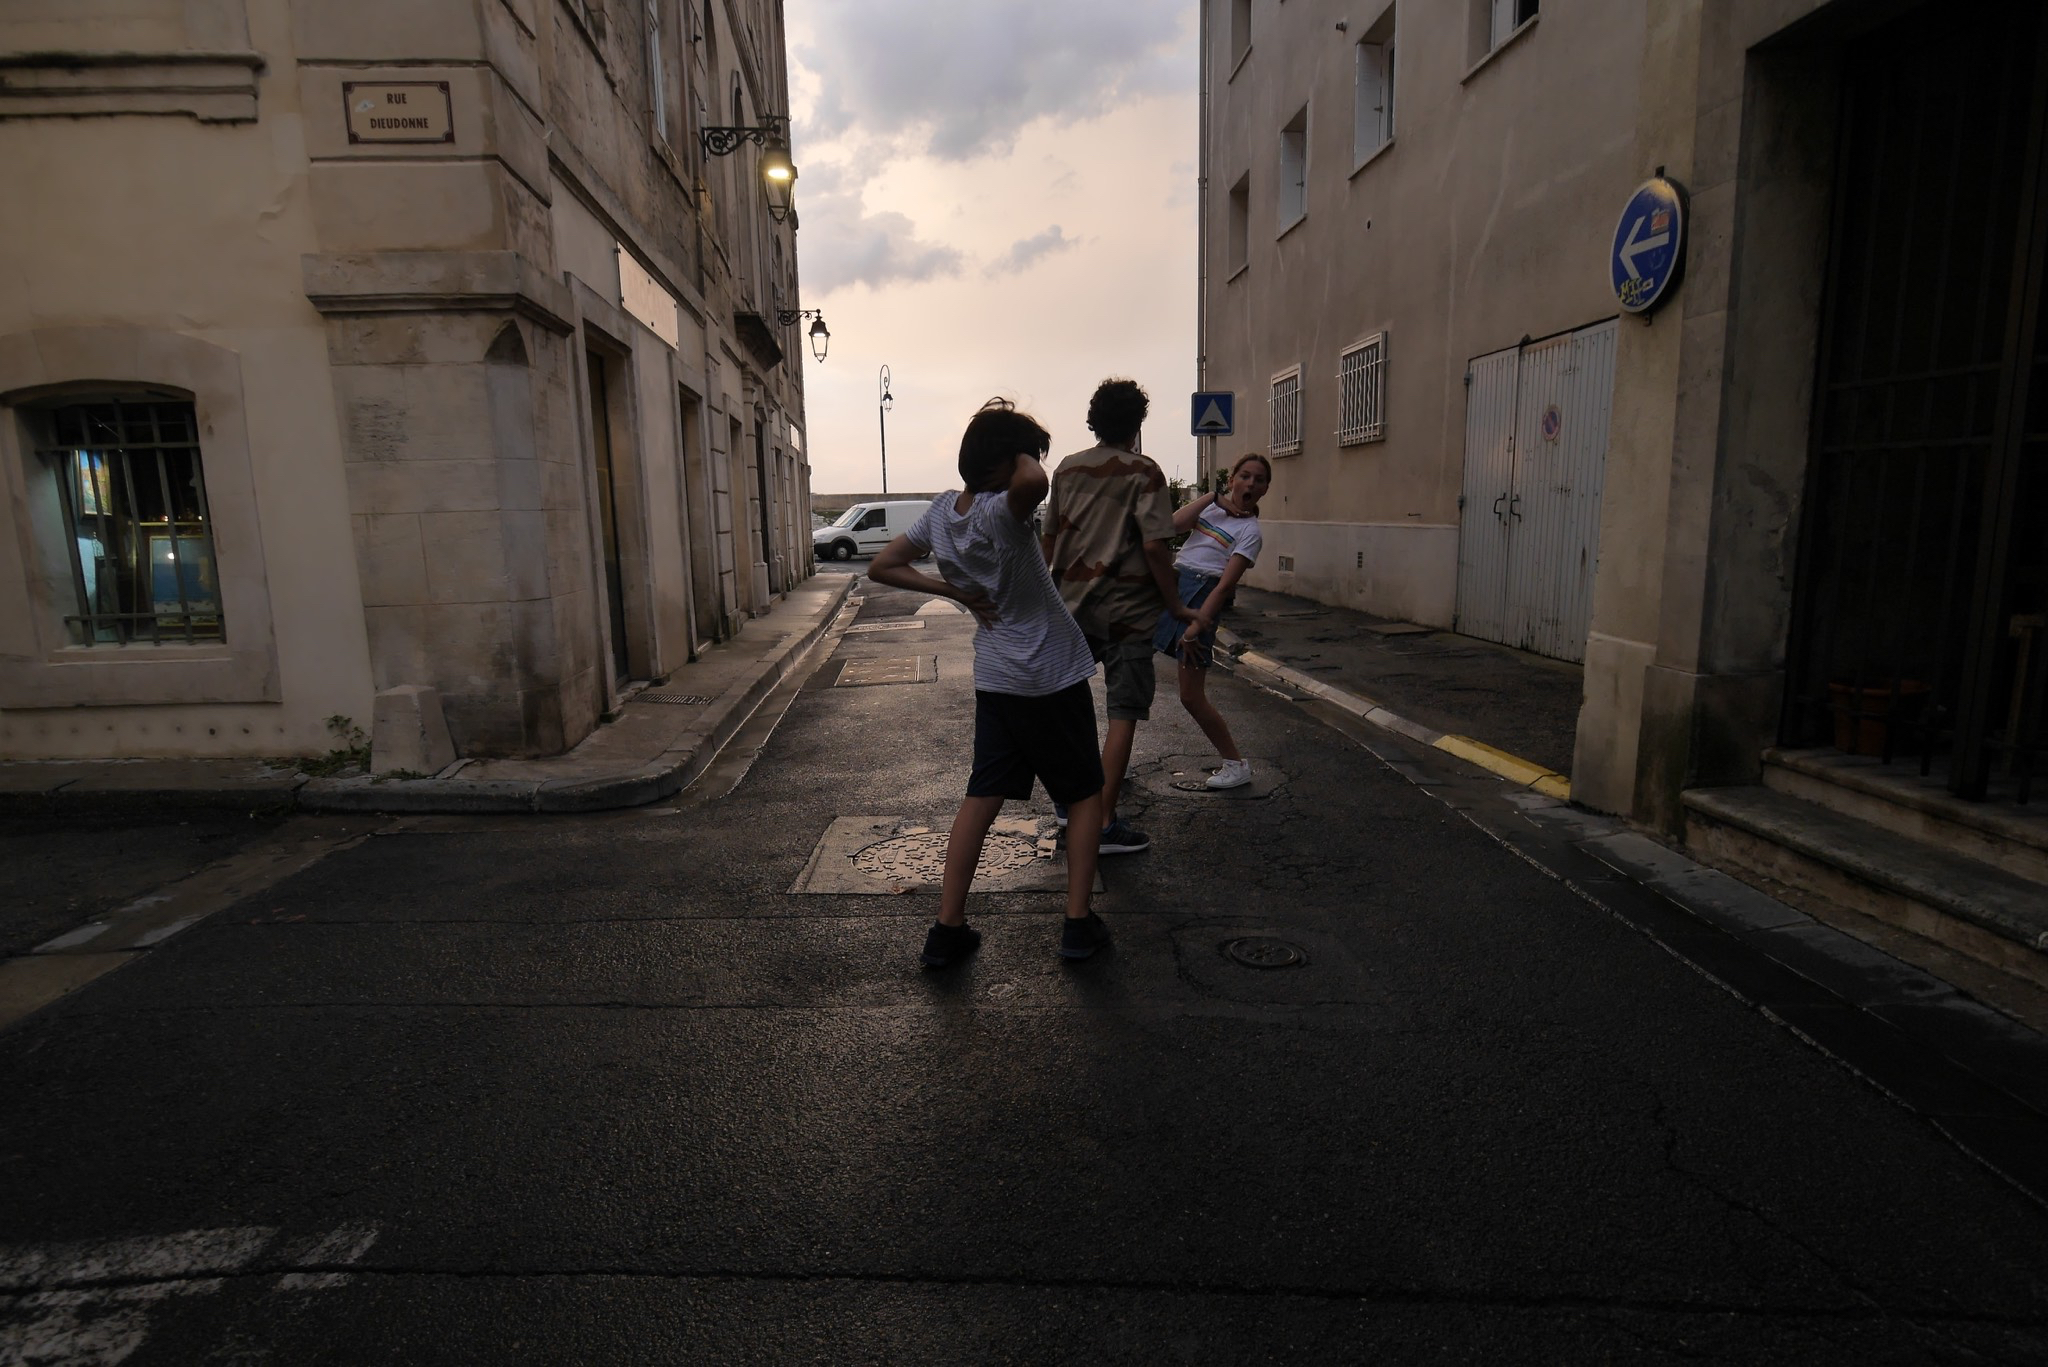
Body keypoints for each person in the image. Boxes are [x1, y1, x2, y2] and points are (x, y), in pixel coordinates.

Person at [867, 399, 1114, 967]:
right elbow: (1034, 479)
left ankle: (947, 929)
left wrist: (953, 590)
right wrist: (1021, 448)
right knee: (1083, 795)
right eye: (1027, 451)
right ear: (1005, 459)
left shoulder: (941, 514)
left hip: (998, 678)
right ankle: (1078, 924)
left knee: (982, 797)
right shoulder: (1002, 512)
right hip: (1049, 674)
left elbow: (883, 566)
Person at [1041, 378, 1196, 855]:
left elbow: (1048, 540)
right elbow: (1155, 546)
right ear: (1137, 424)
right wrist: (1176, 605)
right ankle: (1103, 824)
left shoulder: (1067, 469)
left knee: (1064, 707)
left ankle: (1071, 803)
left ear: (1094, 421)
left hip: (1069, 608)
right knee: (1123, 712)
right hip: (1127, 613)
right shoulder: (1145, 472)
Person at [1156, 453, 1273, 791]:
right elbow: (1172, 526)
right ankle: (1116, 761)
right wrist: (1211, 497)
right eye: (1245, 476)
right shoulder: (1210, 510)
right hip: (1174, 585)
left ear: (1265, 489)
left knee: (1191, 696)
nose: (1250, 483)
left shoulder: (1250, 531)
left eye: (1259, 480)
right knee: (1132, 670)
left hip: (1201, 595)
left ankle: (1236, 764)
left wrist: (1196, 628)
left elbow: (1223, 586)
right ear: (1232, 479)